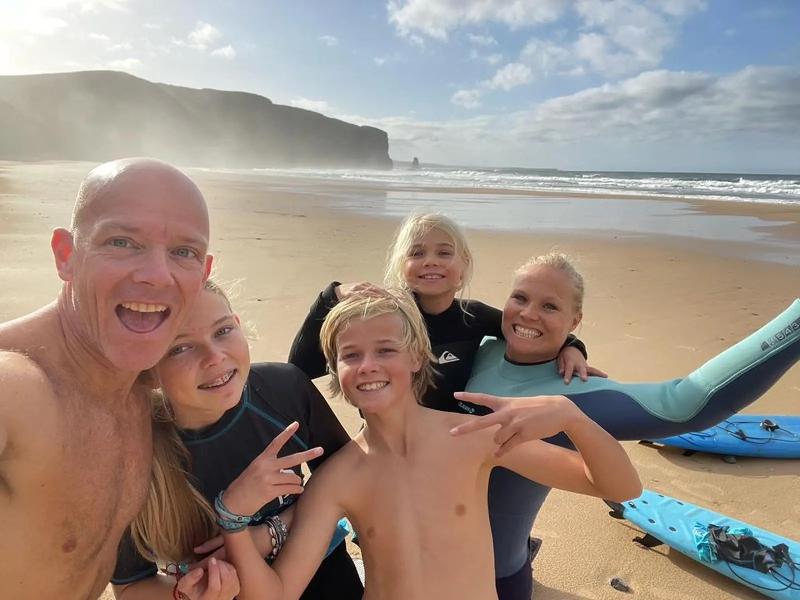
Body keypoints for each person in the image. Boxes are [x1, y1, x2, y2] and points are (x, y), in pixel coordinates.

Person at [216, 290, 642, 600]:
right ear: (336, 369)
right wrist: (232, 520)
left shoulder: (472, 436)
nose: (368, 366)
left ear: (417, 357)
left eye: (386, 350)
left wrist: (571, 416)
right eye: (351, 355)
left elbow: (620, 486)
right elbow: (278, 592)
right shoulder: (336, 479)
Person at [462, 252, 800, 600]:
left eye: (550, 306)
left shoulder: (573, 396)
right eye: (520, 298)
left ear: (575, 320)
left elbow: (686, 402)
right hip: (431, 553)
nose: (529, 313)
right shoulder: (479, 348)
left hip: (493, 579)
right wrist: (573, 345)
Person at [0, 158, 213, 600]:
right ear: (66, 255)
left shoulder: (146, 384)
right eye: (122, 242)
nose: (157, 275)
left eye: (184, 252)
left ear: (204, 274)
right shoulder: (15, 388)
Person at [111, 281, 364, 600]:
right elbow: (130, 586)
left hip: (327, 578)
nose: (215, 357)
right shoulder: (130, 455)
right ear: (147, 370)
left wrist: (269, 533)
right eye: (180, 348)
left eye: (222, 331)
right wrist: (187, 594)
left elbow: (353, 478)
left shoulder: (283, 389)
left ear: (238, 324)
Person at [288, 213, 602, 416]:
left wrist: (572, 346)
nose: (430, 261)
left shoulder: (473, 316)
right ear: (401, 266)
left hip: (447, 441)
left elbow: (525, 328)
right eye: (417, 253)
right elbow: (300, 368)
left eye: (444, 252)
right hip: (385, 440)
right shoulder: (382, 318)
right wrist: (331, 296)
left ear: (463, 268)